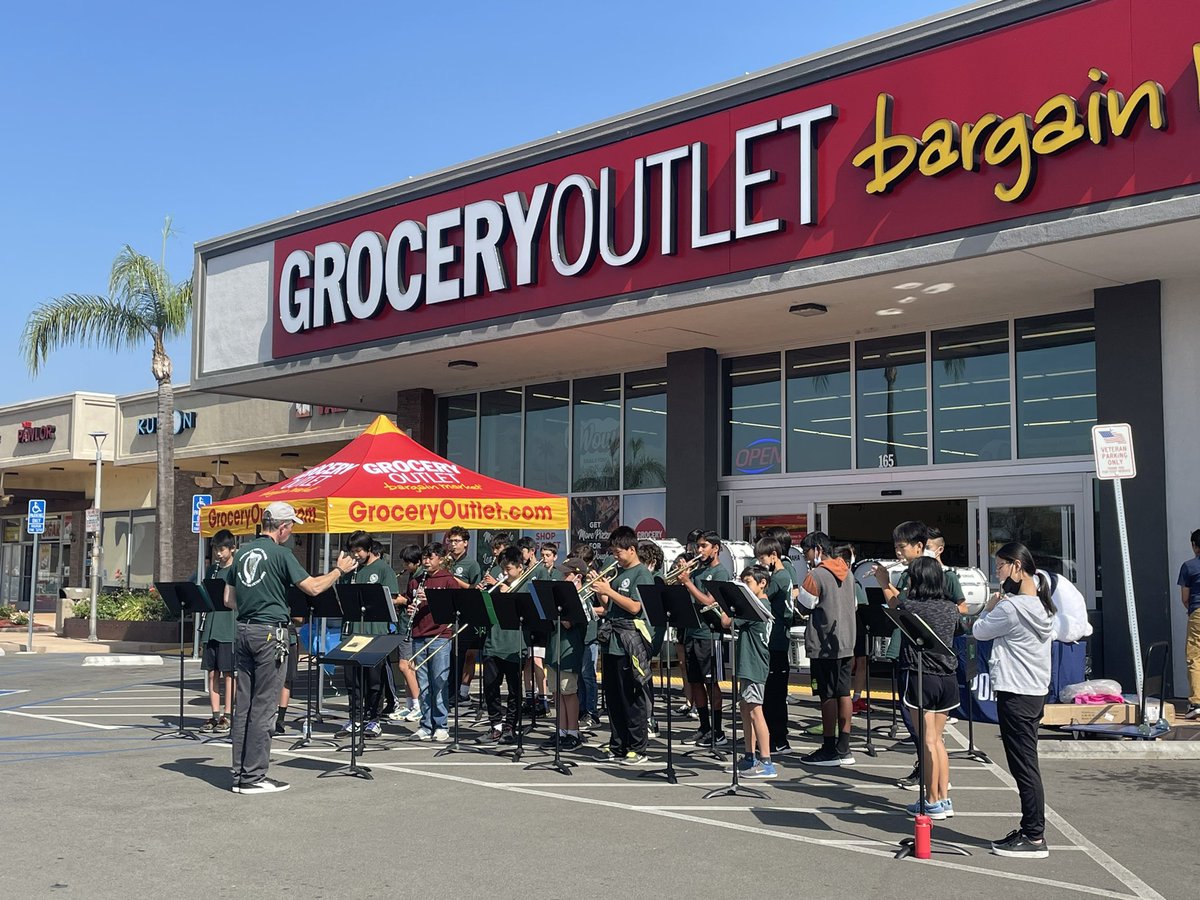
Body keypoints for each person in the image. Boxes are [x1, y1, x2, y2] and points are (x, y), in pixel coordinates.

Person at [223, 501, 356, 794]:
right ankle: (254, 777)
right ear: (282, 527)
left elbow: (228, 600)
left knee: (243, 705)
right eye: (291, 526)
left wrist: (255, 602)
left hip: (243, 630)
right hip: (270, 633)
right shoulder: (282, 554)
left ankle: (240, 773)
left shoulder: (241, 552)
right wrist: (339, 570)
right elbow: (313, 588)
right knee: (264, 705)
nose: (292, 532)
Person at [973, 541, 1055, 859]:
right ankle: (1031, 830)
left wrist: (990, 607)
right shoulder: (1042, 606)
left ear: (1017, 567)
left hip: (1016, 693)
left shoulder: (1011, 608)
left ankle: (1034, 836)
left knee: (1024, 766)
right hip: (1034, 692)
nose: (997, 573)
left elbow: (979, 631)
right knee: (1026, 763)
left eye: (1000, 566)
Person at [892, 557, 961, 821]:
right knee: (938, 740)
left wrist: (885, 583)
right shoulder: (951, 608)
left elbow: (894, 605)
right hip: (948, 677)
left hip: (922, 676)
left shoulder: (911, 606)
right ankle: (943, 797)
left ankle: (931, 801)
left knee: (928, 740)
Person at [590, 525, 656, 765]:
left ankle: (637, 747)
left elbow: (636, 607)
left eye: (618, 552)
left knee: (631, 696)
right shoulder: (617, 572)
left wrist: (609, 590)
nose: (615, 556)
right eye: (613, 552)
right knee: (613, 696)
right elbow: (609, 605)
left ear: (631, 549)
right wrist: (600, 589)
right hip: (612, 640)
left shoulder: (642, 574)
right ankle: (618, 745)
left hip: (630, 641)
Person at [797, 531, 856, 767]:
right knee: (844, 693)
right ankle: (844, 747)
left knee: (827, 695)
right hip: (847, 642)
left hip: (824, 644)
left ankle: (829, 748)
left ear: (818, 550)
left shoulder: (816, 575)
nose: (805, 557)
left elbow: (803, 607)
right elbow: (853, 605)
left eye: (806, 552)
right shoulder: (848, 572)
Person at [336, 531, 400, 739]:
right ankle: (354, 718)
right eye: (352, 551)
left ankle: (374, 719)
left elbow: (392, 598)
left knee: (374, 680)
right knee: (352, 680)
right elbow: (341, 597)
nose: (355, 555)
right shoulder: (350, 571)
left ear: (369, 549)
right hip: (352, 633)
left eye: (359, 551)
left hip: (375, 632)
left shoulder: (383, 569)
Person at [718, 564, 776, 779]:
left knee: (755, 710)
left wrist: (725, 603)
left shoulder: (756, 607)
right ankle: (749, 756)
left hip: (754, 664)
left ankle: (766, 761)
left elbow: (726, 621)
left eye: (748, 582)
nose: (745, 587)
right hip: (748, 663)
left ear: (762, 583)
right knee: (745, 708)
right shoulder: (758, 605)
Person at [678, 531, 730, 747]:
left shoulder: (720, 572)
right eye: (698, 546)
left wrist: (688, 582)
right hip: (692, 632)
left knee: (711, 683)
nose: (699, 550)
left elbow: (710, 601)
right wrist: (683, 577)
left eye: (704, 546)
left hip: (710, 634)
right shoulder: (698, 571)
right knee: (696, 682)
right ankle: (704, 727)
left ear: (715, 548)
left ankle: (718, 731)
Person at [408, 542, 461, 741]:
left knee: (439, 681)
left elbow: (455, 608)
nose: (426, 562)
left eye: (430, 558)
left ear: (440, 558)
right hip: (419, 634)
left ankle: (441, 724)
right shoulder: (416, 580)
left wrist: (431, 599)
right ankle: (425, 724)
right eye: (424, 558)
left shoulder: (448, 580)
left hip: (440, 635)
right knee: (423, 684)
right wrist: (411, 609)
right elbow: (408, 601)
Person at [478, 547, 527, 745]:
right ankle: (495, 725)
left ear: (520, 567)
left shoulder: (526, 586)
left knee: (514, 690)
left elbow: (529, 613)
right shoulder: (496, 587)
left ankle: (510, 726)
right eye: (503, 569)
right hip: (493, 642)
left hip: (515, 645)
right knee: (490, 686)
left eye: (509, 569)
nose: (505, 573)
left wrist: (509, 595)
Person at [541, 557, 589, 750]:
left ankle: (573, 732)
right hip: (554, 648)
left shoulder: (581, 597)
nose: (563, 578)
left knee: (568, 692)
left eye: (567, 575)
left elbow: (569, 623)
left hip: (569, 649)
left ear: (578, 577)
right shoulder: (564, 597)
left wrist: (553, 605)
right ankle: (561, 731)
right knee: (557, 693)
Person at [755, 535, 795, 755]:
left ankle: (778, 739)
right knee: (773, 693)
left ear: (773, 556)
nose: (760, 563)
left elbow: (760, 598)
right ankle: (774, 736)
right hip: (777, 639)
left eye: (762, 558)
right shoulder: (783, 575)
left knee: (774, 694)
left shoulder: (779, 578)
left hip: (776, 640)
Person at [199, 530, 236, 735]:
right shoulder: (212, 570)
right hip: (211, 626)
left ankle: (228, 714)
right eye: (216, 549)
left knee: (229, 672)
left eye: (222, 549)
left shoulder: (236, 569)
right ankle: (214, 714)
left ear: (232, 549)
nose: (218, 554)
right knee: (212, 672)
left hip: (229, 627)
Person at [386, 544, 424, 723]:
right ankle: (410, 704)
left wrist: (401, 601)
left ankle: (418, 705)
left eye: (408, 563)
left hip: (411, 625)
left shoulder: (421, 577)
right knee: (408, 667)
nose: (405, 566)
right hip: (405, 624)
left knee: (405, 665)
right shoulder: (412, 576)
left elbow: (415, 600)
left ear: (417, 562)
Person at [444, 526, 482, 706]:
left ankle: (456, 692)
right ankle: (447, 691)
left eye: (457, 541)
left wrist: (455, 580)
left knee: (458, 654)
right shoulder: (446, 562)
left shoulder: (471, 564)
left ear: (465, 543)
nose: (453, 545)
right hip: (447, 612)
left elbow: (476, 590)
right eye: (451, 541)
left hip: (464, 616)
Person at [570, 543, 603, 728]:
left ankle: (591, 712)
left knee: (588, 675)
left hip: (590, 633)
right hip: (576, 632)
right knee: (578, 676)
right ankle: (580, 710)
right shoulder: (575, 579)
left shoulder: (594, 580)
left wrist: (585, 608)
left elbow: (605, 608)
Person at [838, 544, 871, 715]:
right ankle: (843, 696)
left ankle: (857, 697)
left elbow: (863, 605)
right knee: (848, 662)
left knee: (861, 660)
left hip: (859, 625)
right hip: (847, 626)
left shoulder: (855, 581)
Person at [1177, 530, 1200, 719]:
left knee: (1195, 657)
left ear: (1194, 545)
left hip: (1198, 613)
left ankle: (1197, 703)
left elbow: (1185, 598)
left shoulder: (1189, 566)